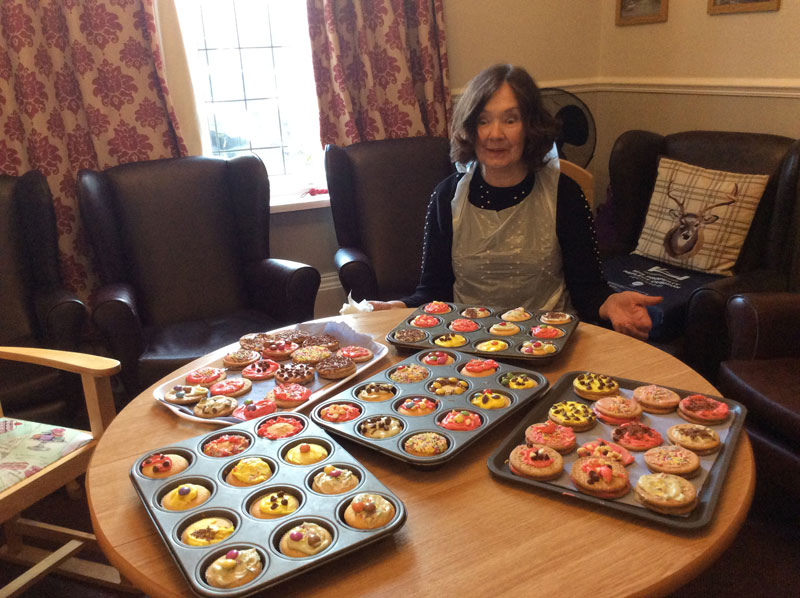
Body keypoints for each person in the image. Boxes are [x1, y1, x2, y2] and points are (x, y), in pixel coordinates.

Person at [370, 64, 661, 340]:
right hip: (466, 349)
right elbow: (433, 292)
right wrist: (398, 307)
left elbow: (588, 290)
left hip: (549, 344)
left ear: (530, 126)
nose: (495, 134)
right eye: (483, 120)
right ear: (471, 128)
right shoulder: (446, 197)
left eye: (510, 119)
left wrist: (609, 303)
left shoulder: (565, 194)